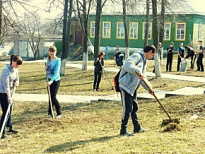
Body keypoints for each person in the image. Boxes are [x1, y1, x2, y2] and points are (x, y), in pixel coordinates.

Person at [119, 44, 155, 137]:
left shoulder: (144, 61)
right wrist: (138, 71)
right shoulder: (137, 56)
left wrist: (149, 89)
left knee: (134, 107)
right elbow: (127, 65)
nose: (152, 57)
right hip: (126, 85)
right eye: (152, 55)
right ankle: (123, 131)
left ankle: (137, 127)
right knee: (127, 109)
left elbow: (142, 77)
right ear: (150, 51)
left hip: (133, 87)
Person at [0, 55, 23, 139]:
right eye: (17, 64)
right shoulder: (5, 70)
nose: (18, 66)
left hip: (11, 92)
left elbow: (17, 78)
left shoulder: (15, 68)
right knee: (6, 111)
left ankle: (9, 127)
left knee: (10, 110)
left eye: (19, 65)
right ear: (12, 61)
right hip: (3, 93)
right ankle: (1, 131)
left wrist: (17, 82)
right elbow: (6, 86)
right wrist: (9, 97)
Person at [45, 46, 62, 118]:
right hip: (49, 79)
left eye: (53, 51)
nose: (51, 53)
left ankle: (59, 112)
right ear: (48, 52)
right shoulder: (48, 60)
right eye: (50, 51)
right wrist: (46, 68)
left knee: (53, 96)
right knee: (50, 97)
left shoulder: (57, 60)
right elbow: (48, 70)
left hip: (55, 80)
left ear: (55, 52)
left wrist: (51, 81)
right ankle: (50, 112)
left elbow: (56, 72)